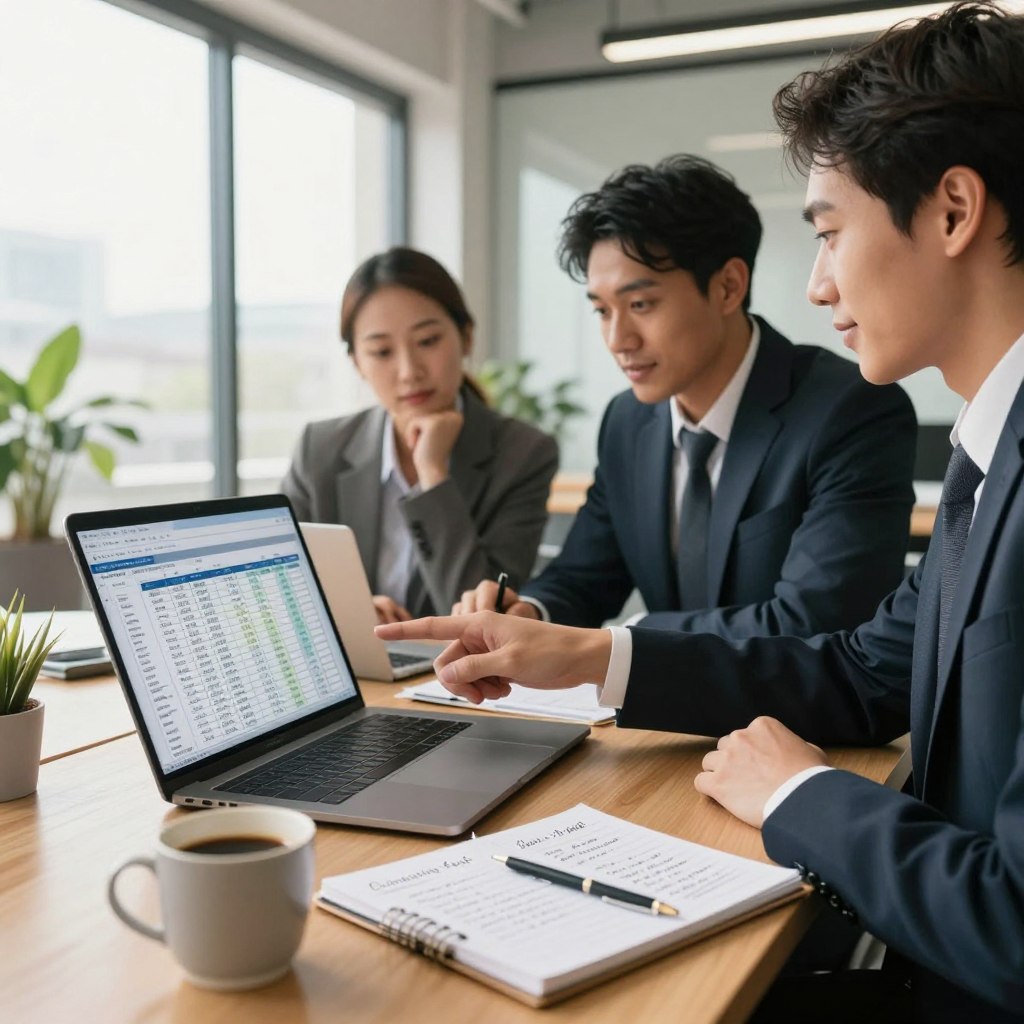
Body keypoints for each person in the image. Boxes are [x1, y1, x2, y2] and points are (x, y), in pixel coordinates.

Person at [379, 4, 1024, 1020]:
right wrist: (585, 650)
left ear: (951, 212)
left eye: (827, 233)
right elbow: (863, 668)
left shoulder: (869, 416)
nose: (815, 285)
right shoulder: (992, 457)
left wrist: (800, 793)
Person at [454, 156, 917, 640]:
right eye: (601, 310)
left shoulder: (851, 409)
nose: (617, 338)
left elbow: (817, 621)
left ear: (728, 287)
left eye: (640, 304)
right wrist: (530, 612)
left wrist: (629, 637)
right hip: (659, 716)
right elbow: (584, 579)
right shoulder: (628, 421)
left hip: (793, 714)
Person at [281, 247, 558, 623]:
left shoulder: (522, 453)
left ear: (466, 337)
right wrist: (348, 615)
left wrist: (432, 475)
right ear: (357, 364)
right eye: (381, 352)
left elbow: (485, 617)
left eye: (428, 342)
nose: (409, 371)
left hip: (453, 676)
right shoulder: (321, 449)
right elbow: (280, 586)